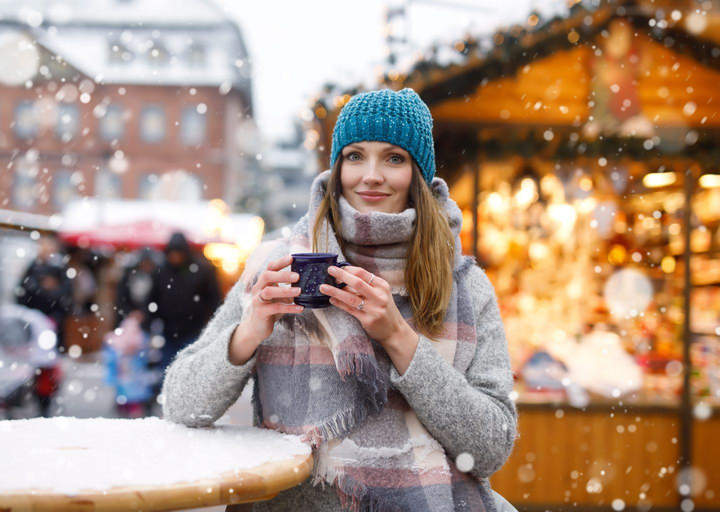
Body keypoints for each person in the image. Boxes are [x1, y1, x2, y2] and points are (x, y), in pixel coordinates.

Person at [162, 88, 517, 511]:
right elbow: (181, 405)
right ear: (336, 167)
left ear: (418, 174)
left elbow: (491, 447)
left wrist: (399, 338)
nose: (371, 175)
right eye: (355, 156)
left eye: (394, 158)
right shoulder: (279, 266)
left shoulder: (465, 286)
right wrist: (249, 330)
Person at [150, 232, 221, 371]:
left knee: (191, 369)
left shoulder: (202, 270)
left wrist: (213, 321)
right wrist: (151, 321)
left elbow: (213, 298)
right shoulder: (161, 271)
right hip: (169, 331)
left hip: (194, 329)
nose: (175, 257)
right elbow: (153, 298)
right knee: (168, 369)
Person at [16, 236, 74, 353]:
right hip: (34, 315)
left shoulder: (59, 268)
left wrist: (51, 290)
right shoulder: (33, 267)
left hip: (53, 316)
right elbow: (25, 289)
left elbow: (66, 291)